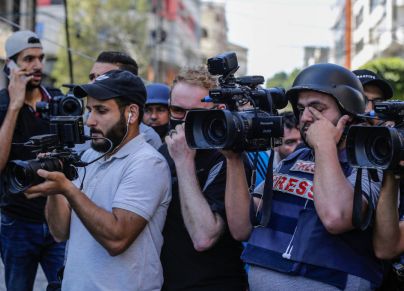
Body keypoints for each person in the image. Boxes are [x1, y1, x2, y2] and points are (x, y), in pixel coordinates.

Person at [223, 63, 383, 290]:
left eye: (317, 107)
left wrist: (325, 144)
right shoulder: (293, 159)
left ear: (348, 114)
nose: (306, 117)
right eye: (301, 108)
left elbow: (336, 218)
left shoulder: (368, 163)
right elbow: (242, 228)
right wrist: (233, 160)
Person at [25, 70, 171, 290]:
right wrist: (54, 186)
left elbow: (117, 240)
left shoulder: (148, 163)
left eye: (101, 111)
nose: (89, 121)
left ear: (131, 113)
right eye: (89, 110)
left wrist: (68, 189)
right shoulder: (90, 156)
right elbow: (59, 232)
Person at [159, 66, 247, 291]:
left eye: (195, 113)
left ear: (216, 110)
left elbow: (204, 237)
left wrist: (184, 163)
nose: (184, 122)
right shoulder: (162, 151)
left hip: (213, 283)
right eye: (177, 111)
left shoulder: (227, 157)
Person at [0, 30, 66, 290]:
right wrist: (15, 105)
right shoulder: (2, 104)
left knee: (66, 284)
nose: (37, 65)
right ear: (11, 66)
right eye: (28, 59)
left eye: (40, 58)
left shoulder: (57, 100)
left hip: (58, 217)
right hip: (17, 222)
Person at [87, 51, 162, 149]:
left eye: (104, 77)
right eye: (92, 77)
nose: (94, 83)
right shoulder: (84, 125)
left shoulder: (148, 140)